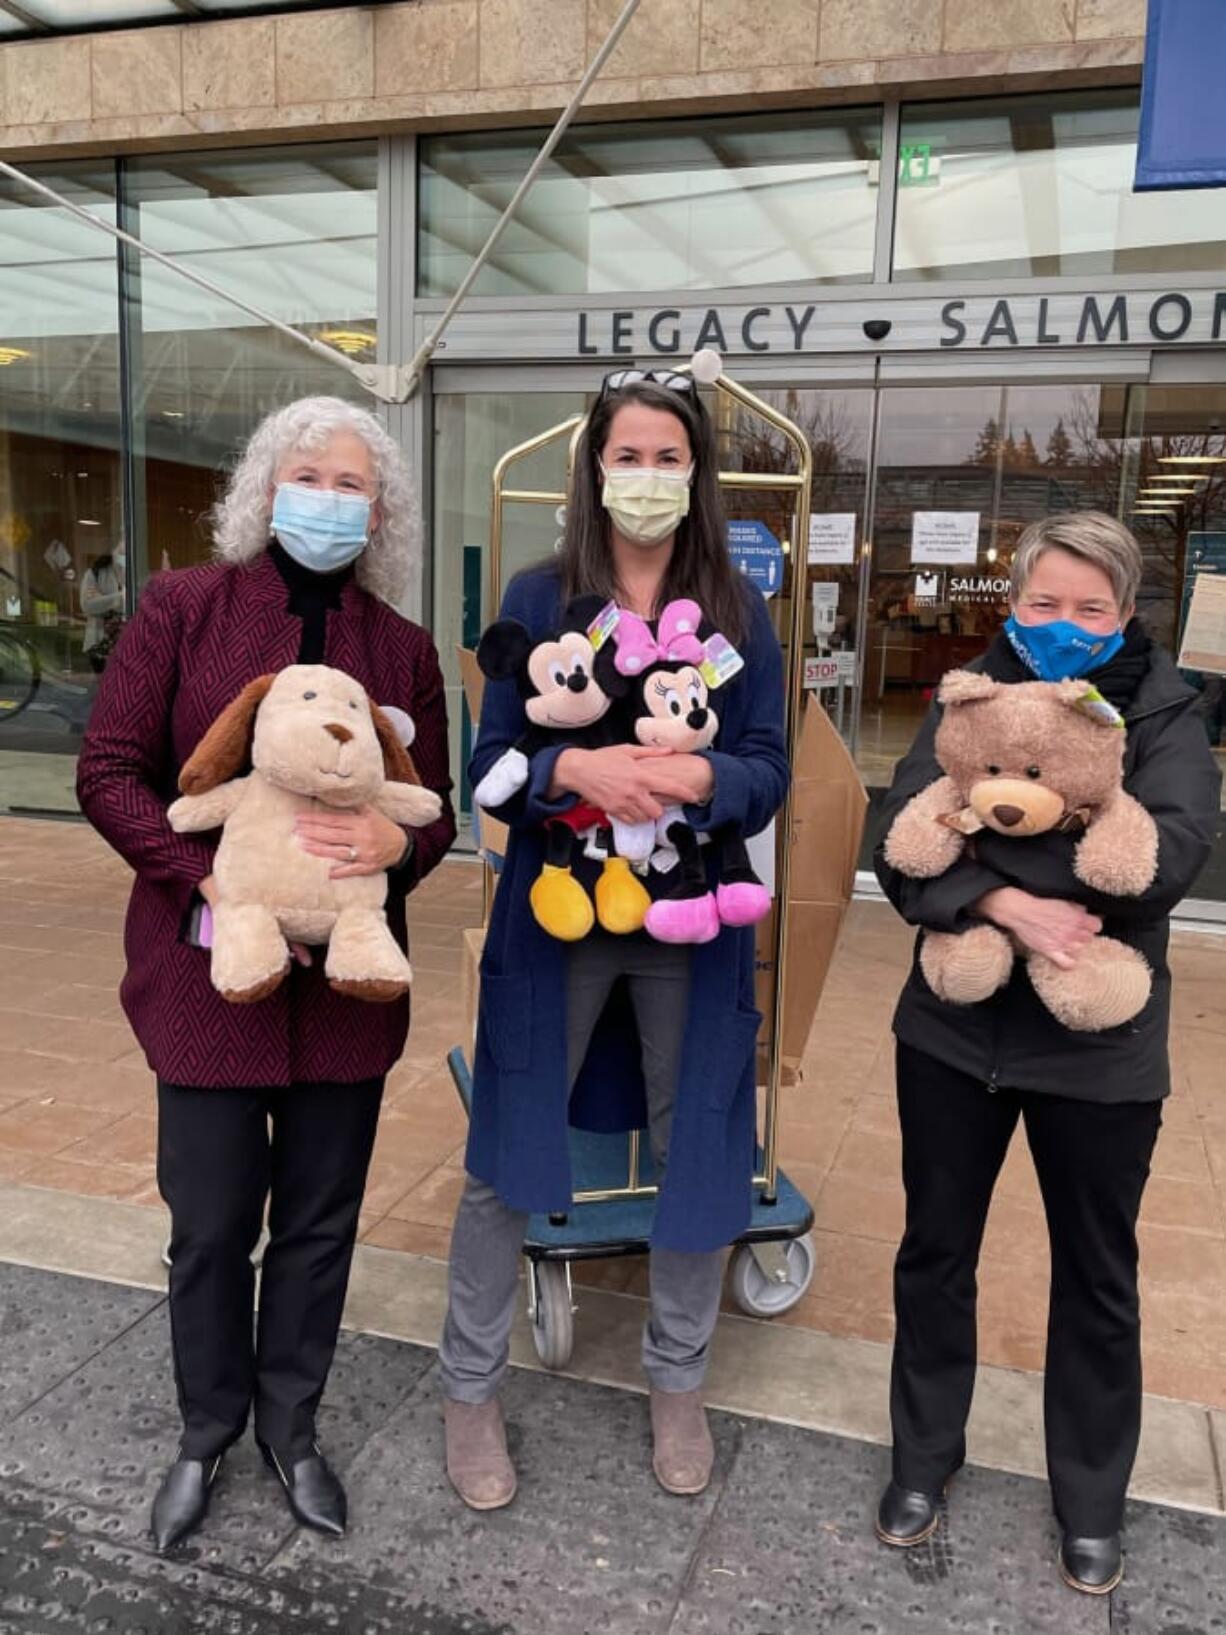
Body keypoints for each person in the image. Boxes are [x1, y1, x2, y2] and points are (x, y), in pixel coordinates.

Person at [76, 396, 455, 1552]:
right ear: (263, 488)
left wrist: (401, 849)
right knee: (208, 1225)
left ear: (378, 510)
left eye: (352, 485)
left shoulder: (400, 647)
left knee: (318, 1225)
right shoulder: (184, 610)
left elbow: (426, 810)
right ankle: (205, 1433)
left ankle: (292, 1427)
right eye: (308, 475)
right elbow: (109, 770)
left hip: (343, 1001)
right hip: (207, 989)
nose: (328, 499)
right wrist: (209, 881)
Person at [438, 365, 788, 1510]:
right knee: (507, 1140)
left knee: (700, 1145)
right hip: (560, 912)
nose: (646, 477)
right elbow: (486, 764)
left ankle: (677, 1382)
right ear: (594, 469)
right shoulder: (539, 600)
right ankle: (468, 1390)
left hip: (689, 920)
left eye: (667, 457)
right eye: (626, 456)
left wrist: (702, 772)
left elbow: (770, 769)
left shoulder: (739, 618)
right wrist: (570, 768)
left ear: (698, 474)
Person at [873, 513, 1220, 1594]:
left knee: (1096, 1277)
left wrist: (990, 867)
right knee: (934, 1255)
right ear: (1009, 602)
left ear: (1123, 614)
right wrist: (1007, 906)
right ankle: (923, 1458)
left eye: (1088, 608)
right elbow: (898, 847)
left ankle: (1088, 1495)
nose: (1061, 623)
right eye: (1041, 602)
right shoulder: (964, 692)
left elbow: (1163, 860)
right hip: (951, 1031)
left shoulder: (1164, 708)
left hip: (1097, 1047)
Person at [79, 546, 125, 673]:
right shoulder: (95, 573)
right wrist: (121, 597)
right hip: (100, 645)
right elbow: (88, 606)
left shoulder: (134, 573)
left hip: (127, 645)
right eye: (120, 551)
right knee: (103, 687)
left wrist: (103, 599)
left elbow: (138, 602)